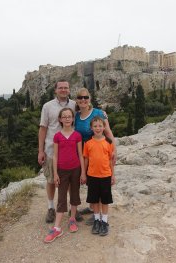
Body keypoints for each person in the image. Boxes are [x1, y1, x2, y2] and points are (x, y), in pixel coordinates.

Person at [74, 87, 116, 225]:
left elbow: (108, 133)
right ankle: (93, 208)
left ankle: (97, 215)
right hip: (84, 153)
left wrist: (114, 150)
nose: (83, 100)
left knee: (98, 182)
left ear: (89, 99)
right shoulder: (76, 116)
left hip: (99, 151)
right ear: (77, 100)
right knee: (91, 182)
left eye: (86, 97)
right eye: (80, 98)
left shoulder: (98, 113)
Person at [43, 108, 86, 243]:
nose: (67, 119)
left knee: (74, 195)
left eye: (69, 116)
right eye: (64, 117)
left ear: (73, 119)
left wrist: (83, 172)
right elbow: (55, 156)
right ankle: (57, 228)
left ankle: (72, 219)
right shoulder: (57, 136)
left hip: (75, 169)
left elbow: (80, 154)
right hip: (61, 171)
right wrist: (55, 173)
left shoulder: (77, 135)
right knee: (61, 197)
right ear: (60, 120)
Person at [38, 79, 76, 223]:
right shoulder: (47, 106)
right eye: (60, 88)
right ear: (55, 90)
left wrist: (102, 114)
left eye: (66, 87)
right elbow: (43, 129)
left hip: (70, 150)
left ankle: (72, 209)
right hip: (51, 150)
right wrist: (40, 151)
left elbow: (87, 110)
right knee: (51, 181)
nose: (63, 90)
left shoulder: (74, 105)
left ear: (69, 89)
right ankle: (50, 208)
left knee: (70, 182)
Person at [83, 116, 115, 236]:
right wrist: (83, 174)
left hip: (106, 175)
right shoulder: (88, 143)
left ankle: (104, 221)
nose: (98, 128)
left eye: (100, 126)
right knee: (94, 199)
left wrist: (113, 175)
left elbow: (111, 160)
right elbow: (85, 159)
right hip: (92, 175)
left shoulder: (108, 142)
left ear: (104, 127)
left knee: (105, 200)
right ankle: (97, 220)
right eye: (95, 126)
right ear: (91, 128)